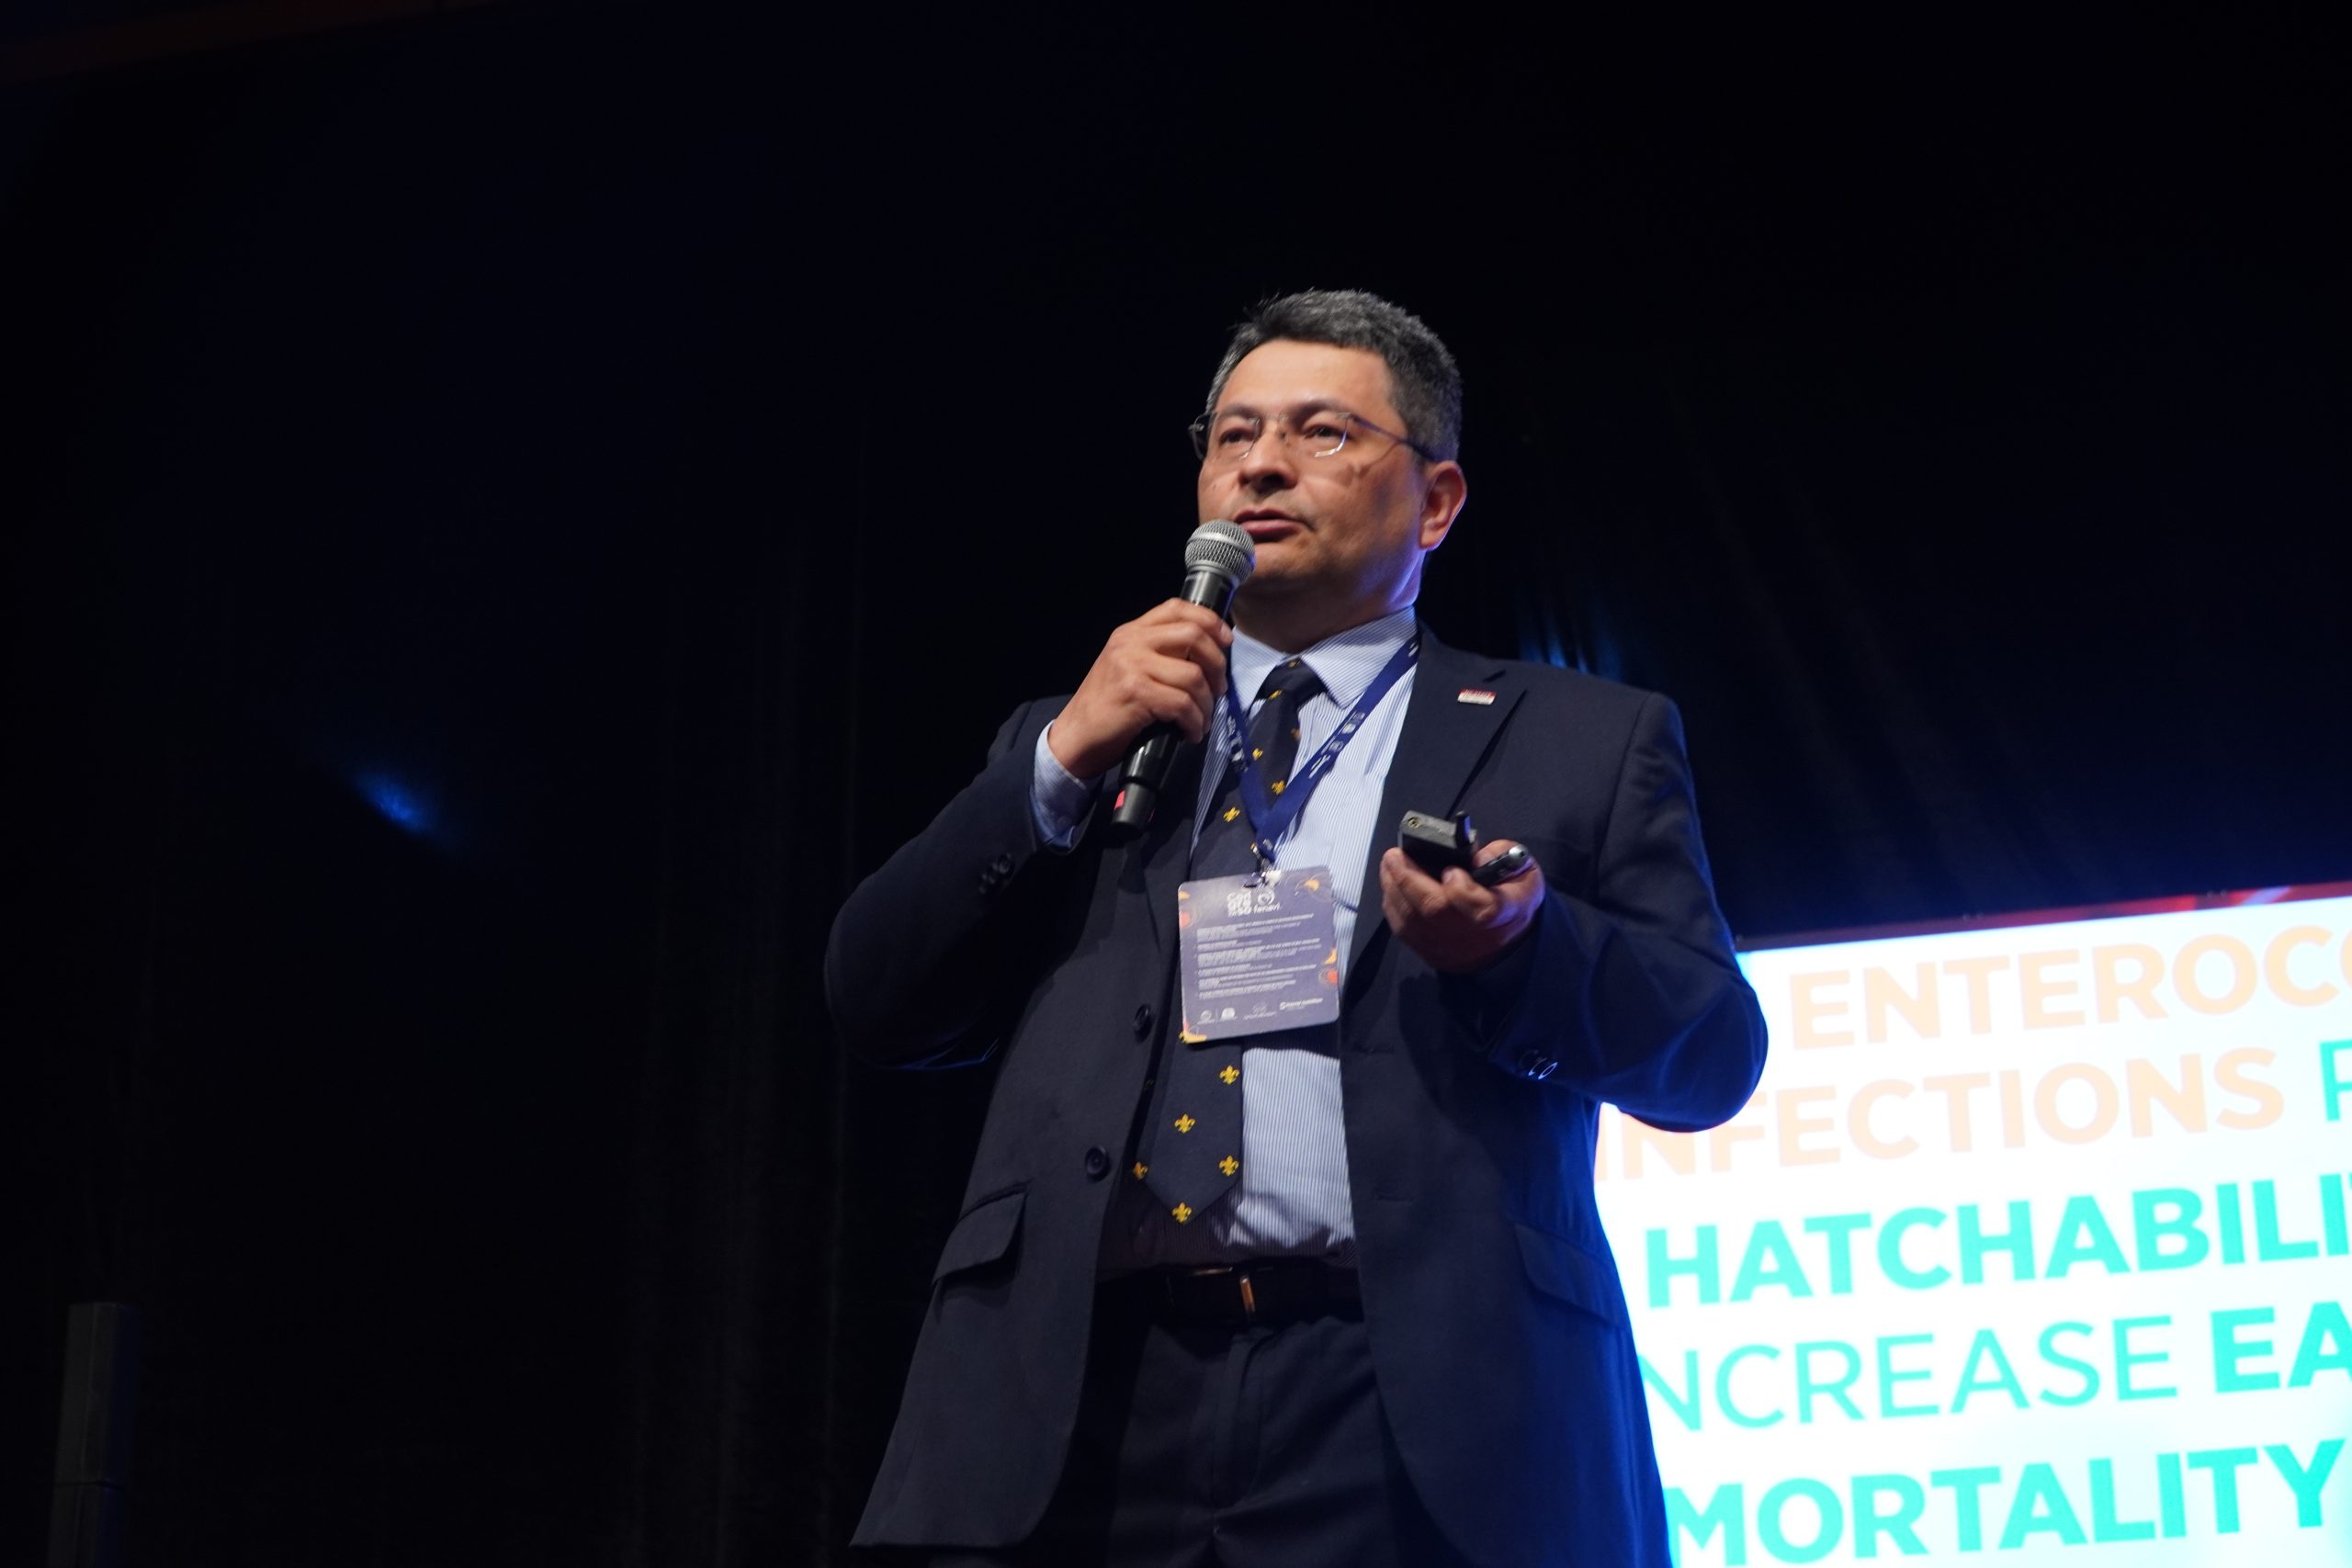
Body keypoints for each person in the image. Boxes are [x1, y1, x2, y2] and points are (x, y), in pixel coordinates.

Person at [826, 289, 1766, 1567]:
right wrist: (1056, 761)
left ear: (1435, 502)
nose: (1261, 465)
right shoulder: (1091, 740)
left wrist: (1519, 954)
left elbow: (1709, 1056)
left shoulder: (1581, 738)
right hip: (1079, 1407)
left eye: (1322, 432)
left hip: (1414, 1409)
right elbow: (877, 999)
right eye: (1234, 435)